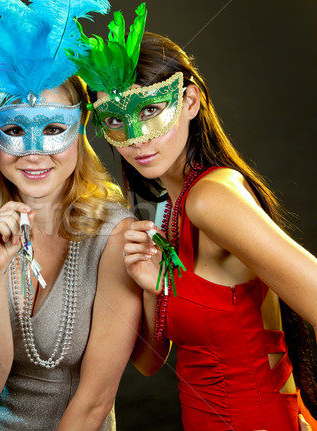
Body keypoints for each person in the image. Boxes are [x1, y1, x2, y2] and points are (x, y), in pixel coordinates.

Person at [72, 3, 317, 430]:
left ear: (189, 100)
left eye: (149, 110)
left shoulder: (211, 198)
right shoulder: (170, 207)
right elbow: (151, 363)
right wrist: (153, 285)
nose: (136, 138)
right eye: (116, 120)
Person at [0, 1, 143, 430]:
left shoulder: (115, 233)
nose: (34, 152)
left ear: (81, 127)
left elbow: (95, 401)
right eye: (15, 130)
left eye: (53, 128)